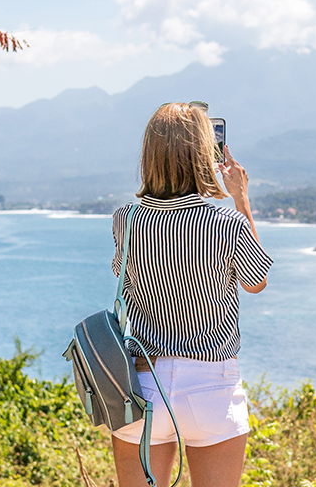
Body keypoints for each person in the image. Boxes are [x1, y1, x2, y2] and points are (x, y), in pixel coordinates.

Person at [108, 102, 272, 487]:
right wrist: (241, 199)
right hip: (212, 386)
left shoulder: (126, 220)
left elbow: (124, 278)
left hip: (144, 385)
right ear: (203, 155)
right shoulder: (225, 223)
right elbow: (257, 279)